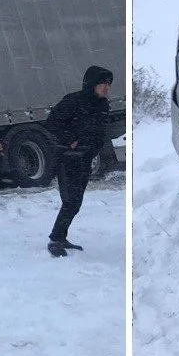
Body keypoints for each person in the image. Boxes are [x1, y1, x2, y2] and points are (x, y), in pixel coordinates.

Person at [44, 65, 113, 257]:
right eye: (102, 84)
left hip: (85, 159)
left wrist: (94, 148)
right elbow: (52, 123)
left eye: (108, 84)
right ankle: (55, 240)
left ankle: (61, 237)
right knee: (70, 201)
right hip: (67, 158)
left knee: (76, 202)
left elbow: (99, 131)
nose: (106, 88)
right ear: (91, 84)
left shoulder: (103, 105)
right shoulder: (73, 101)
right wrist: (70, 139)